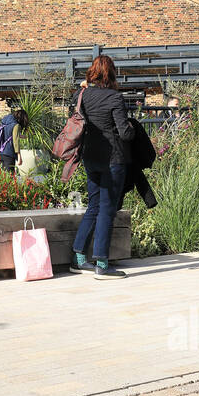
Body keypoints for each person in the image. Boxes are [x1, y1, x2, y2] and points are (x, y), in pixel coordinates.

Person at [70, 55, 136, 278]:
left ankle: (79, 259)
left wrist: (84, 87)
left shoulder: (82, 95)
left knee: (94, 206)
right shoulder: (115, 97)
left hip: (90, 159)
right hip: (112, 160)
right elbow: (125, 133)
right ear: (112, 73)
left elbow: (76, 106)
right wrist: (133, 128)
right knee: (107, 210)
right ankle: (101, 264)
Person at [0, 107, 26, 173]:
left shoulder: (4, 123)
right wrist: (19, 156)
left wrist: (19, 136)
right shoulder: (16, 125)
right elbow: (15, 141)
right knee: (10, 176)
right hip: (9, 154)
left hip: (0, 152)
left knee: (2, 176)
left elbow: (7, 134)